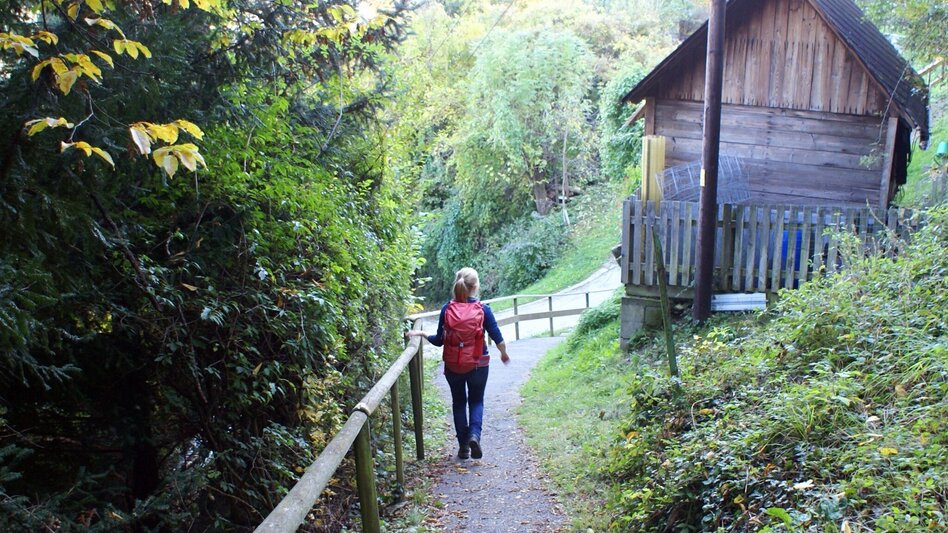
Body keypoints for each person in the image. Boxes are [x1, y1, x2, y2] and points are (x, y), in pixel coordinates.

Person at [407, 267, 510, 459]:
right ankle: (474, 436)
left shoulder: (447, 309)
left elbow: (439, 340)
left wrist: (422, 334)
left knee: (459, 402)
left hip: (454, 364)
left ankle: (463, 447)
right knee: (477, 400)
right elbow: (498, 338)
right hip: (479, 364)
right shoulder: (483, 309)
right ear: (475, 286)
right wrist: (504, 354)